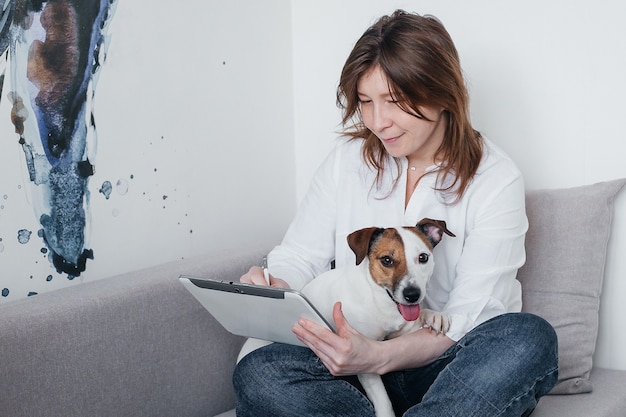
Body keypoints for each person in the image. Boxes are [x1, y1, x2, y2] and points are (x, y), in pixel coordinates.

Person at [234, 10, 558, 417]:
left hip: (444, 369)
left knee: (529, 339)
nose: (378, 121)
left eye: (394, 101)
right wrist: (270, 287)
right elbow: (300, 256)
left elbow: (468, 318)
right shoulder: (347, 161)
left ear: (441, 93)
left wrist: (376, 356)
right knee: (258, 372)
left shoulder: (495, 179)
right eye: (366, 102)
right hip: (345, 369)